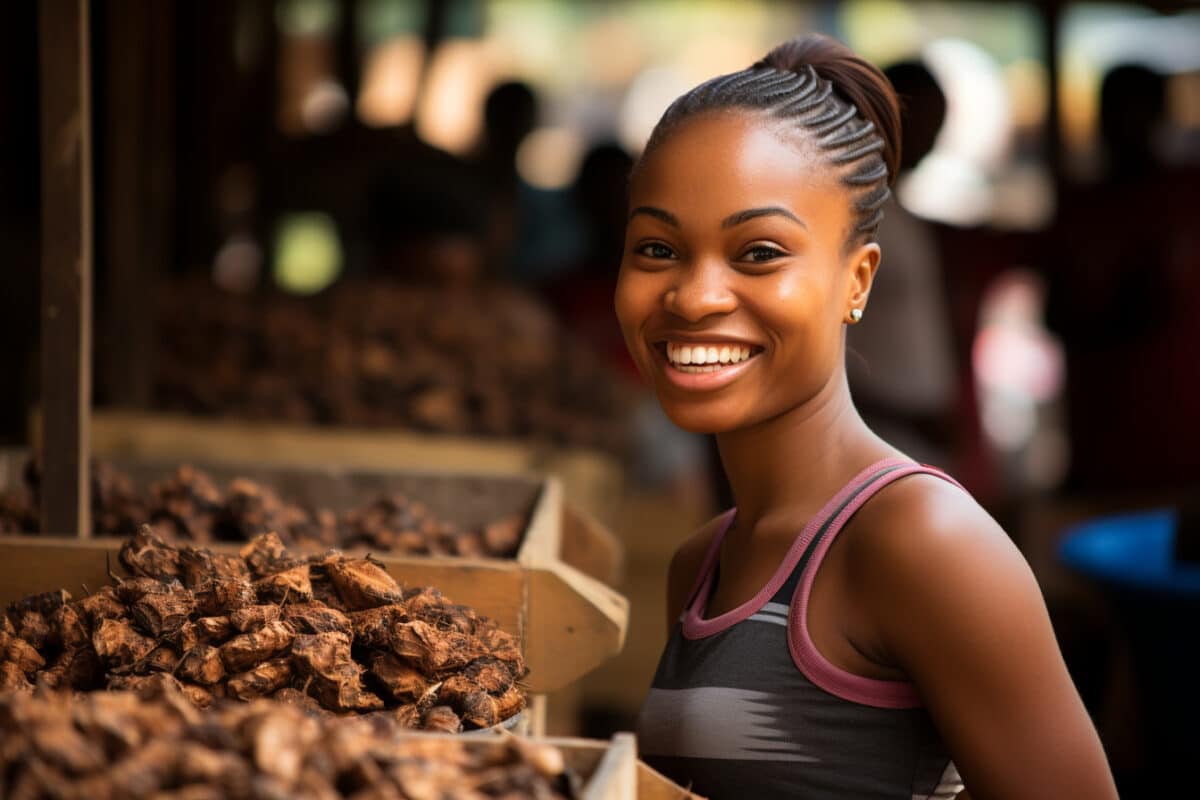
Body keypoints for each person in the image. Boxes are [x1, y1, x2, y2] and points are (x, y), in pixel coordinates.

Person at [618, 34, 1116, 799]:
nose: (693, 296)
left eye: (757, 253)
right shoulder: (701, 563)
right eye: (657, 248)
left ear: (858, 280)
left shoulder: (924, 542)